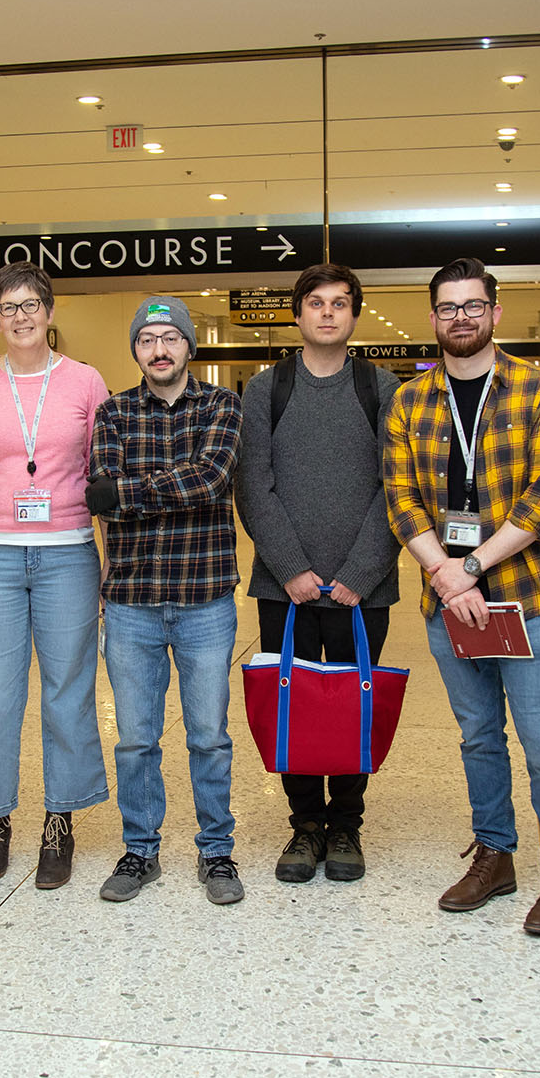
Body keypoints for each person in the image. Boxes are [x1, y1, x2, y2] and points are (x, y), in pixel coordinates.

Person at [382, 257, 540, 936]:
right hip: (449, 606)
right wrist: (445, 573)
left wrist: (467, 566)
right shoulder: (412, 401)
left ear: (496, 314)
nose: (460, 318)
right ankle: (494, 854)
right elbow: (401, 498)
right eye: (448, 307)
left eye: (474, 306)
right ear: (433, 317)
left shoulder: (539, 390)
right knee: (477, 737)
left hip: (524, 600)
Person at [235, 262, 401, 883]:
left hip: (366, 587)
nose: (327, 313)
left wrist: (360, 571)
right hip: (286, 589)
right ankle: (305, 824)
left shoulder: (381, 388)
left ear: (353, 314)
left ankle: (346, 824)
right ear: (298, 313)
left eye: (339, 303)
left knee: (355, 705)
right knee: (295, 707)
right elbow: (254, 486)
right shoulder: (266, 388)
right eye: (315, 302)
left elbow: (397, 488)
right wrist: (293, 570)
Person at [0, 263, 109, 889]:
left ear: (49, 311)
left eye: (31, 304)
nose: (21, 316)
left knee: (67, 688)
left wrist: (107, 561)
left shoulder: (86, 382)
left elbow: (103, 477)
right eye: (8, 306)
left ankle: (59, 818)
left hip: (68, 551)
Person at [84, 296, 246, 905]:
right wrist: (141, 491)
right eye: (148, 339)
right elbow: (100, 493)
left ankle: (217, 852)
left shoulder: (224, 405)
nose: (159, 349)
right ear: (136, 350)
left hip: (205, 599)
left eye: (170, 337)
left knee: (208, 735)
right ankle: (140, 850)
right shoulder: (114, 411)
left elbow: (213, 478)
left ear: (188, 346)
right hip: (130, 601)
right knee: (135, 738)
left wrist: (131, 490)